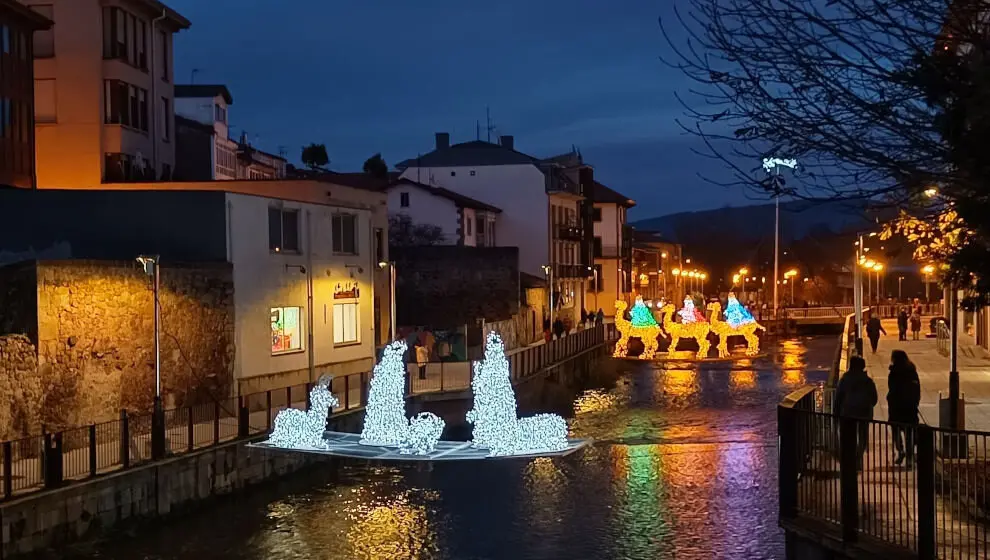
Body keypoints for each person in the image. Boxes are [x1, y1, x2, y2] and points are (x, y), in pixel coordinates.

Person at [834, 355, 878, 467]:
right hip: (864, 412)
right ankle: (858, 457)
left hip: (848, 412)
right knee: (862, 435)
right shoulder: (867, 381)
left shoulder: (844, 380)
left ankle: (850, 458)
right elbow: (874, 399)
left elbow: (838, 397)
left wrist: (836, 413)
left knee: (849, 437)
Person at [887, 350, 921, 467]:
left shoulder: (894, 372)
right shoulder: (912, 372)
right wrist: (915, 401)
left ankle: (900, 450)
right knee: (909, 432)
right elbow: (917, 388)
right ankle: (910, 456)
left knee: (896, 429)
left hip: (896, 406)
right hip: (909, 406)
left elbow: (891, 388)